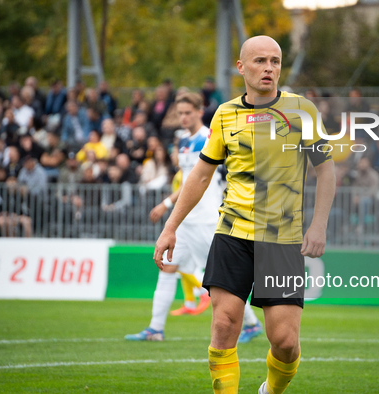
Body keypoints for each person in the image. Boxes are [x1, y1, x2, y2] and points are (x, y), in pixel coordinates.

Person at [152, 36, 335, 394]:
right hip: (232, 234)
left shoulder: (303, 111)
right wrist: (170, 226)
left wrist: (318, 224)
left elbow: (326, 171)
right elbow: (201, 174)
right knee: (223, 326)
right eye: (260, 61)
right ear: (241, 67)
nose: (269, 68)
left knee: (284, 341)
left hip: (283, 239)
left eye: (275, 61)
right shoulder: (225, 114)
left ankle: (270, 390)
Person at [126, 92, 234, 340]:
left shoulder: (210, 137)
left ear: (199, 111)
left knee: (225, 278)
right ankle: (155, 329)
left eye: (187, 113)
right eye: (179, 113)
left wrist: (165, 203)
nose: (183, 118)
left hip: (208, 219)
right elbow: (188, 183)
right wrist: (168, 204)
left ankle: (250, 323)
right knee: (167, 268)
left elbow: (204, 179)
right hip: (186, 222)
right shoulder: (183, 141)